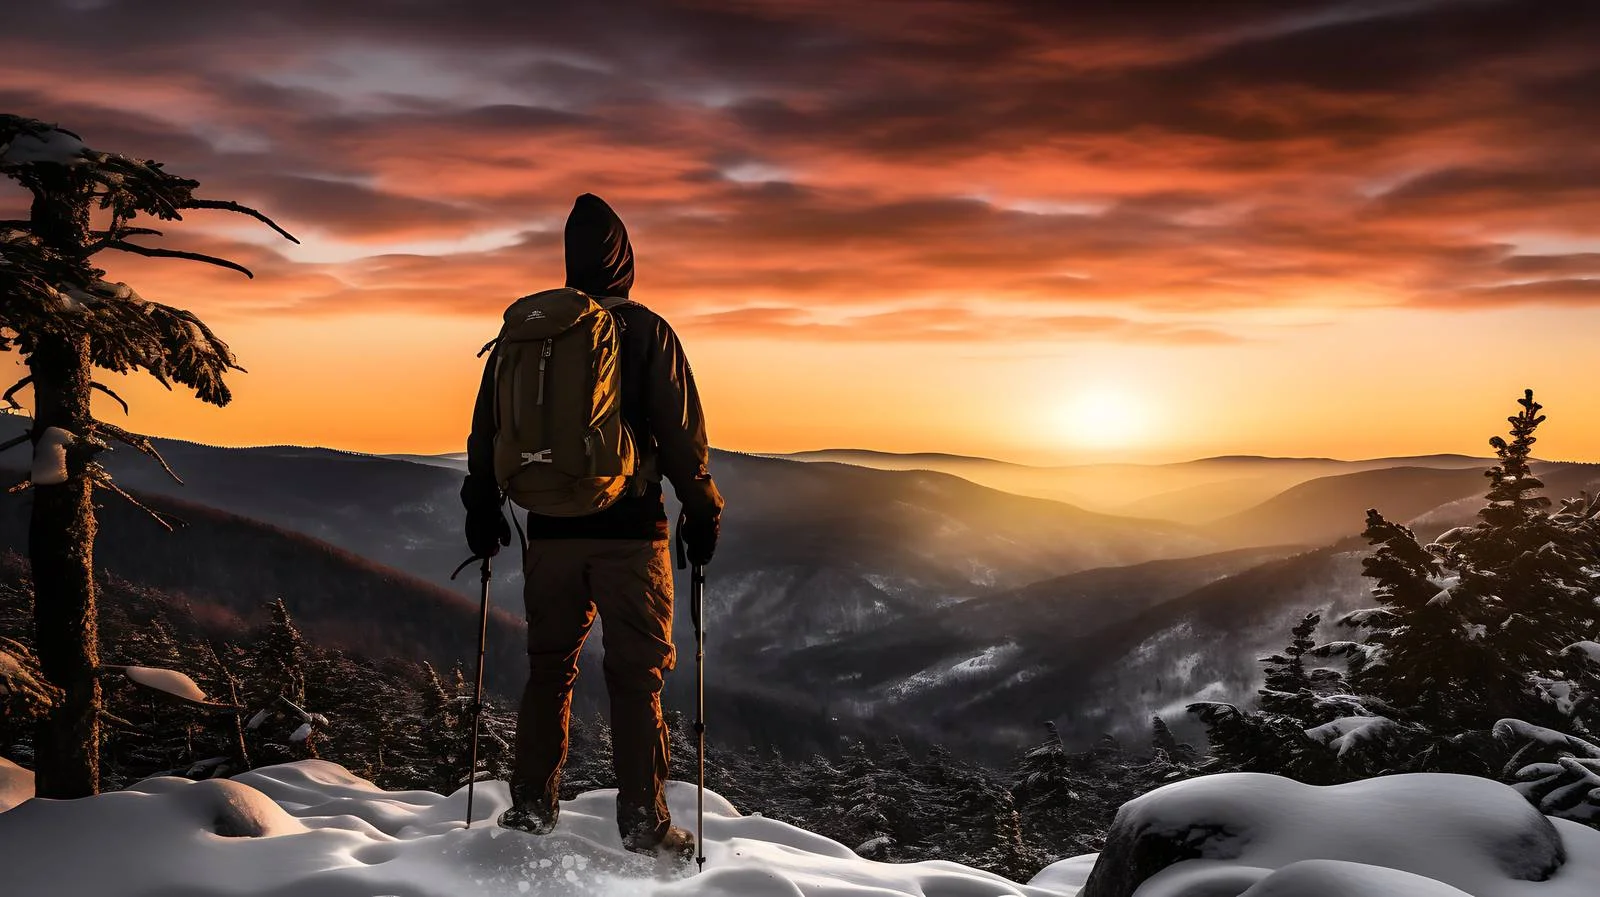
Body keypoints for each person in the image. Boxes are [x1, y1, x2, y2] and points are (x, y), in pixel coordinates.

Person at [460, 193, 723, 861]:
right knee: (637, 678)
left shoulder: (531, 332)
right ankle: (645, 822)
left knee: (550, 668)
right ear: (623, 261)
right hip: (632, 533)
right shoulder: (648, 332)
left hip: (547, 530)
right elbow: (683, 435)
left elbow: (486, 428)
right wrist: (702, 512)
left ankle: (530, 806)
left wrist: (483, 507)